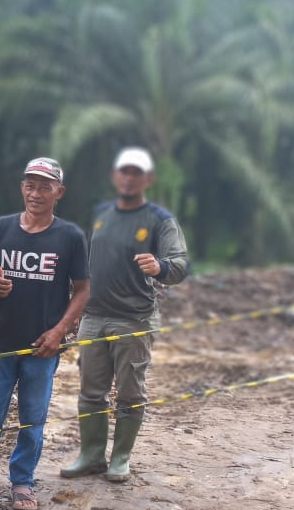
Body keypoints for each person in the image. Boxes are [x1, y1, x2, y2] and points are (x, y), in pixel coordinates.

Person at [0, 158, 89, 510]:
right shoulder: (1, 229)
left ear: (59, 192)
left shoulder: (70, 236)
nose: (36, 192)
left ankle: (22, 484)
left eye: (45, 186)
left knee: (33, 420)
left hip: (42, 349)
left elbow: (83, 289)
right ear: (21, 187)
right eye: (30, 184)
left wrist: (59, 331)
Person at [60, 147, 189, 483]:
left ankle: (120, 457)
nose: (129, 178)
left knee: (130, 393)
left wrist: (160, 266)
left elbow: (180, 266)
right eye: (124, 172)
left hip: (134, 318)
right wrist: (74, 309)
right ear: (115, 176)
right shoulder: (102, 213)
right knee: (90, 391)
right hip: (94, 316)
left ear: (148, 179)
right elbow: (88, 264)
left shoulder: (160, 220)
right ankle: (90, 455)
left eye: (137, 173)